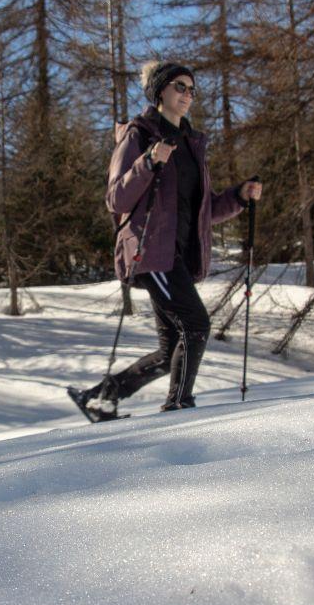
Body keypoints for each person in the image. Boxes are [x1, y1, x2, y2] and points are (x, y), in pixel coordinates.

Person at [69, 61, 262, 421]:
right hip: (151, 251)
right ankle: (178, 405)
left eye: (192, 89)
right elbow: (116, 199)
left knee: (171, 347)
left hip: (180, 255)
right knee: (196, 324)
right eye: (180, 86)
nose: (188, 94)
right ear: (160, 91)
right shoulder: (138, 135)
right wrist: (148, 161)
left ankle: (100, 398)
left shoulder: (191, 144)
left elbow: (204, 210)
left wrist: (239, 196)